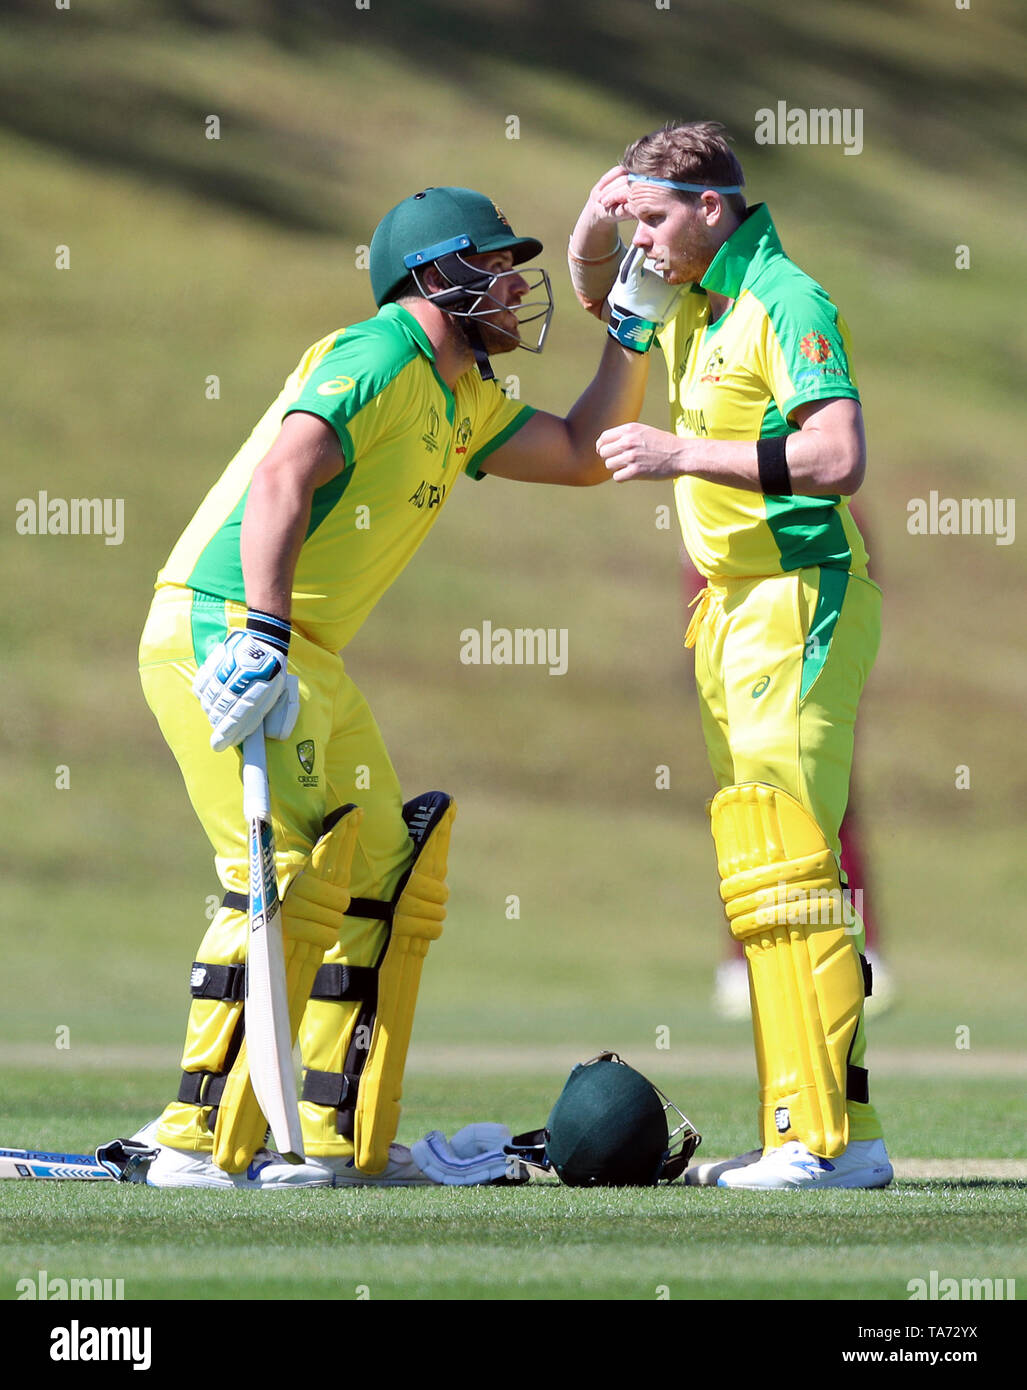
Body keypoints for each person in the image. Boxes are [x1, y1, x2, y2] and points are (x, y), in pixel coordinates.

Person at [139, 185, 653, 1188]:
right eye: (494, 263)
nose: (514, 283)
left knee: (382, 868)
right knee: (286, 870)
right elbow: (287, 470)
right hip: (227, 623)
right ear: (435, 276)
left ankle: (326, 1132)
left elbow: (586, 455)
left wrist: (629, 329)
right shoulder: (380, 352)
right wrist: (262, 632)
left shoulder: (462, 398)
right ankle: (194, 1139)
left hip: (309, 653)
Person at [568, 122, 893, 1189]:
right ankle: (809, 1129)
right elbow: (595, 310)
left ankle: (825, 1144)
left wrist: (682, 454)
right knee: (763, 868)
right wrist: (591, 225)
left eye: (654, 220)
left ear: (713, 209)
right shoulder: (685, 294)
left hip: (801, 595)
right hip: (728, 610)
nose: (642, 246)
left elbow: (837, 455)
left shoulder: (783, 296)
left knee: (793, 866)